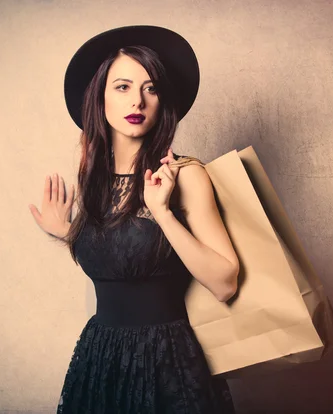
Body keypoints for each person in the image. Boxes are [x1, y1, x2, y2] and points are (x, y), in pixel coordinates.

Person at [29, 25, 239, 413]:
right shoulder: (93, 180)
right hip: (100, 355)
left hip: (166, 360)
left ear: (162, 101)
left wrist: (161, 211)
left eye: (150, 88)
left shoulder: (185, 175)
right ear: (100, 98)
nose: (137, 101)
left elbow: (225, 283)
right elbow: (122, 268)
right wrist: (67, 234)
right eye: (122, 87)